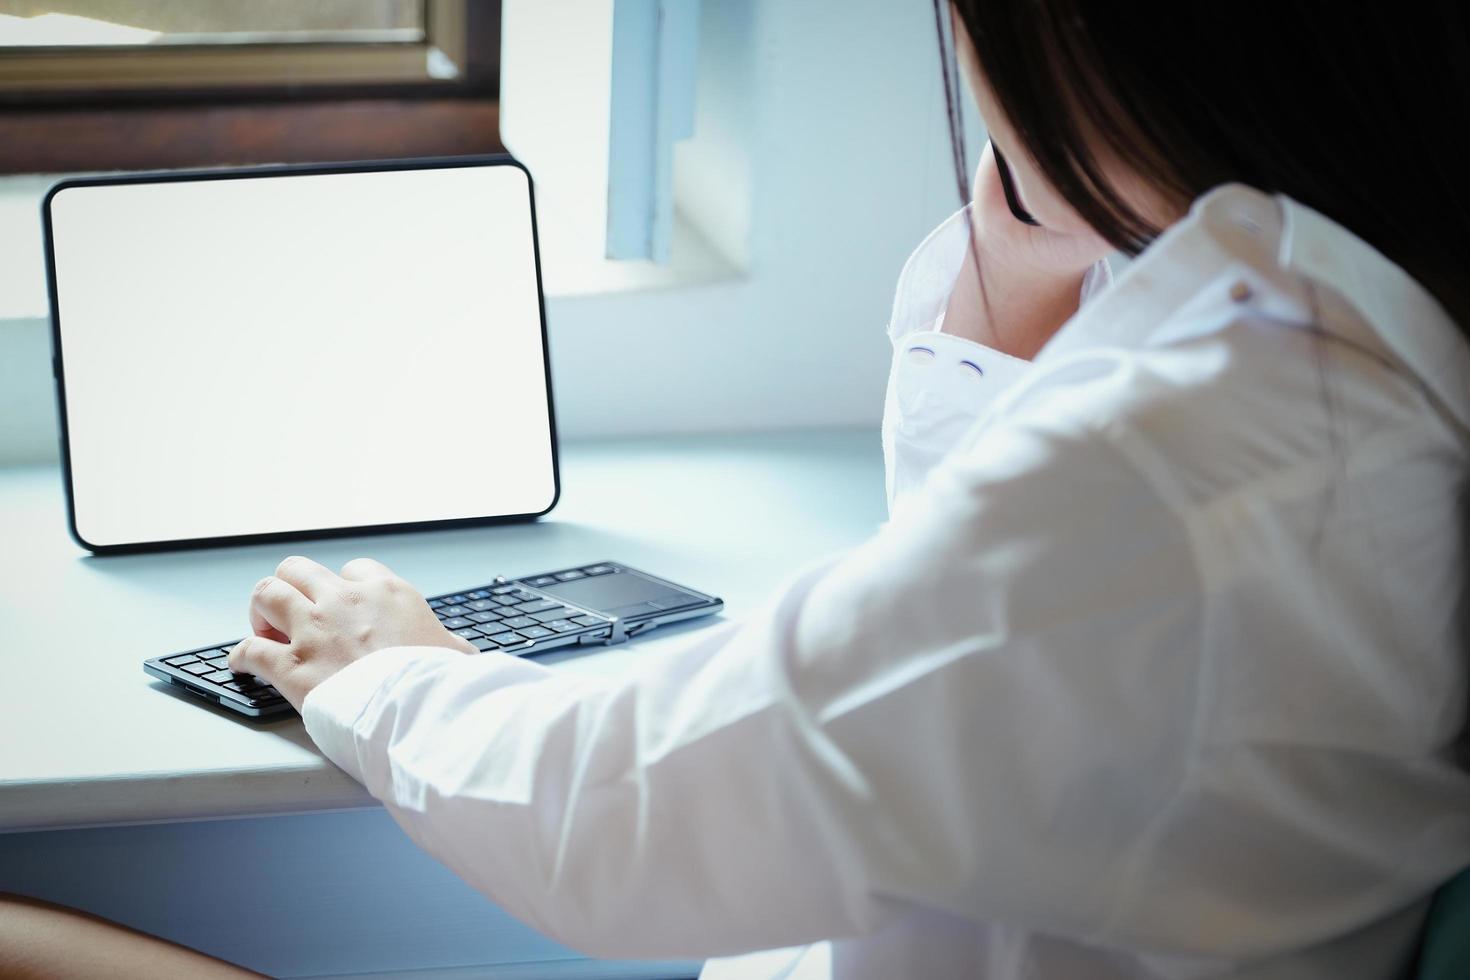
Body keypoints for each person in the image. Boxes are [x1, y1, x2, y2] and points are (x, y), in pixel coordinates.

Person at [5, 1, 1469, 977]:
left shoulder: (1171, 475)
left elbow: (617, 829)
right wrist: (1028, 207)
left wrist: (387, 673)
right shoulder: (1347, 332)